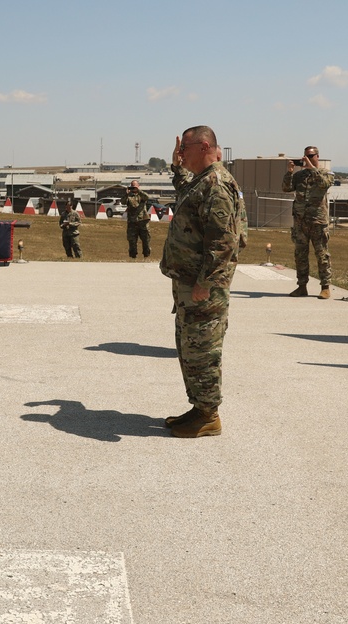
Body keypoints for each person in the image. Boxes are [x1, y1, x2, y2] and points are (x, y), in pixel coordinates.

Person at [159, 125, 245, 438]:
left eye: (186, 147)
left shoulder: (218, 184)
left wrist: (205, 282)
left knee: (203, 350)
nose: (181, 153)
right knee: (190, 347)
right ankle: (199, 408)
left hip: (204, 287)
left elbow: (223, 240)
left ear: (204, 145)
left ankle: (209, 415)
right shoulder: (203, 181)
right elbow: (188, 196)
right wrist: (177, 167)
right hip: (191, 282)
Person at [282, 146, 335, 299]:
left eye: (311, 156)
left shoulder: (326, 173)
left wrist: (312, 168)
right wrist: (290, 172)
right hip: (300, 221)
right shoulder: (300, 176)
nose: (308, 158)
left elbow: (324, 184)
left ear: (317, 156)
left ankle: (325, 287)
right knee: (300, 255)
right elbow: (286, 188)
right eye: (306, 156)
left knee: (322, 255)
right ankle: (302, 286)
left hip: (318, 221)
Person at [121, 179, 151, 258]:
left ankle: (146, 256)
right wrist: (126, 194)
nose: (133, 188)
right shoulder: (129, 196)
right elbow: (123, 202)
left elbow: (147, 197)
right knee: (132, 241)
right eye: (132, 187)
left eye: (135, 186)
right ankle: (133, 257)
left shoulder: (141, 195)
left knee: (146, 240)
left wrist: (139, 191)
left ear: (138, 186)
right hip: (132, 222)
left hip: (143, 221)